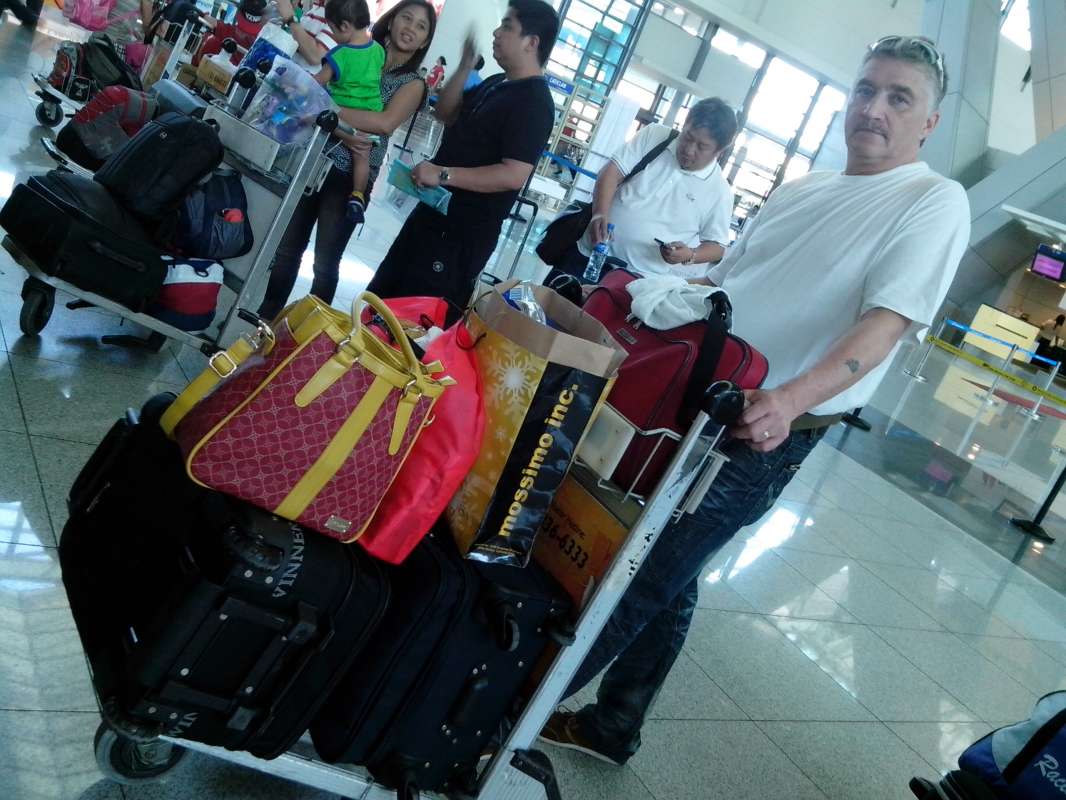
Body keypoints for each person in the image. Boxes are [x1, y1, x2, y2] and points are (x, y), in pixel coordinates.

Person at [539, 34, 971, 766]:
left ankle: (511, 715)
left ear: (929, 122)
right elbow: (724, 282)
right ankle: (615, 726)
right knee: (666, 566)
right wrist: (638, 299)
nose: (874, 108)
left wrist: (788, 400)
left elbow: (888, 321)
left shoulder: (932, 201)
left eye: (900, 98)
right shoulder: (804, 188)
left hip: (762, 429)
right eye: (866, 89)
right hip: (696, 394)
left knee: (641, 574)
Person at [365, 0, 558, 317]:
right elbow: (446, 112)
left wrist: (443, 174)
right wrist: (465, 65)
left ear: (531, 42)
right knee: (381, 304)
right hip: (431, 218)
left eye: (507, 26)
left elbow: (513, 174)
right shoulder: (497, 83)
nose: (496, 33)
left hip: (460, 237)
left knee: (414, 324)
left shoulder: (534, 102)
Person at [257, 0, 436, 320]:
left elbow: (384, 123)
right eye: (406, 18)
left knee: (324, 263)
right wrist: (322, 107)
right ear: (392, 20)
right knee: (287, 249)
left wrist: (326, 109)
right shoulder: (358, 51)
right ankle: (266, 318)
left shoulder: (413, 84)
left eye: (420, 26)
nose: (410, 28)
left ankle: (311, 334)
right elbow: (319, 82)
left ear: (424, 41)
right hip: (316, 156)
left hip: (352, 173)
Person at [547, 97, 737, 283]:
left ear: (719, 151)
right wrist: (600, 214)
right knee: (545, 299)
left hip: (636, 281)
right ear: (685, 124)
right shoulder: (656, 136)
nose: (689, 149)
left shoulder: (719, 192)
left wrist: (690, 254)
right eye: (687, 137)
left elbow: (717, 246)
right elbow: (611, 172)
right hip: (588, 254)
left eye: (702, 147)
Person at [313, 0, 385, 224]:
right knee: (361, 157)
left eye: (332, 29)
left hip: (341, 116)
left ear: (344, 26)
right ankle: (357, 196)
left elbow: (317, 83)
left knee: (320, 120)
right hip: (369, 118)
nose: (333, 35)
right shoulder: (378, 50)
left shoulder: (340, 54)